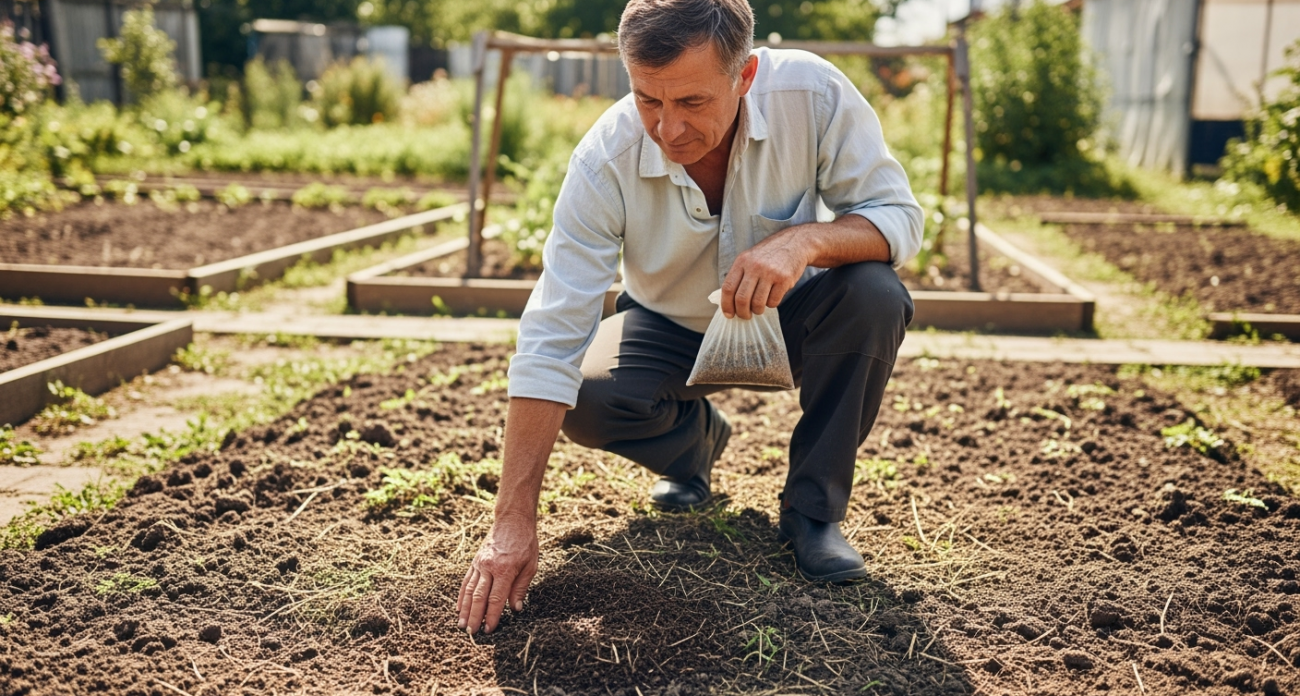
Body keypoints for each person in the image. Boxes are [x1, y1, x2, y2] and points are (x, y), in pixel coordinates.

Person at [457, 0, 922, 635]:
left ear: (746, 75)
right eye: (649, 99)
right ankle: (695, 448)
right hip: (666, 325)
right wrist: (511, 520)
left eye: (693, 103)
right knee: (591, 396)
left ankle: (813, 513)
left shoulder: (812, 94)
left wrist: (804, 241)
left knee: (875, 292)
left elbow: (898, 216)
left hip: (795, 317)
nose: (668, 129)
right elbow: (553, 330)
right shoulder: (605, 160)